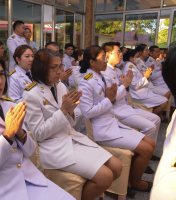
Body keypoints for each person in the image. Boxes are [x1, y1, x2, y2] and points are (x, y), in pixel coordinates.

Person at [0, 51, 74, 200]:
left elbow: (30, 151)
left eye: (2, 74)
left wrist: (20, 134)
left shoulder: (9, 105)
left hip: (29, 179)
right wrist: (8, 135)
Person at [23, 49, 122, 200]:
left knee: (116, 166)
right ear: (41, 68)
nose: (59, 71)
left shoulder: (60, 86)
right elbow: (39, 133)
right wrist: (63, 110)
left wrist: (70, 112)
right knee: (105, 176)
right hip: (54, 147)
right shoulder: (31, 94)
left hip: (72, 138)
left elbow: (70, 122)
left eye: (60, 66)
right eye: (54, 67)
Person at [79, 45, 156, 192]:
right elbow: (87, 113)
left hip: (112, 122)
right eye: (103, 58)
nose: (106, 60)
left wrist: (120, 87)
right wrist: (109, 99)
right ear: (92, 62)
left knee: (151, 143)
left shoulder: (99, 75)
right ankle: (136, 182)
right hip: (102, 129)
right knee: (146, 149)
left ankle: (131, 178)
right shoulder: (86, 81)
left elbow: (111, 98)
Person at [102, 42, 161, 162]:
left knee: (156, 119)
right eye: (117, 52)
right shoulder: (104, 73)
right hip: (117, 110)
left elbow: (126, 91)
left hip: (126, 106)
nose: (120, 55)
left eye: (120, 52)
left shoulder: (117, 71)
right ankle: (142, 156)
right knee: (150, 127)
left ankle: (148, 153)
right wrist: (125, 85)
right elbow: (112, 97)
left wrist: (125, 86)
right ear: (107, 55)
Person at [150, 44, 176, 200]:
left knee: (153, 120)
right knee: (151, 121)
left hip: (147, 89)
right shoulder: (174, 186)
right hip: (138, 94)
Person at [122, 49, 168, 117]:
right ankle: (150, 117)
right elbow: (135, 85)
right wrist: (145, 77)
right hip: (138, 94)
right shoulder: (129, 68)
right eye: (137, 56)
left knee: (165, 100)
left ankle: (151, 116)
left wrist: (145, 75)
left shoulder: (134, 65)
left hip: (144, 91)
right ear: (131, 58)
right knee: (164, 102)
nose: (138, 58)